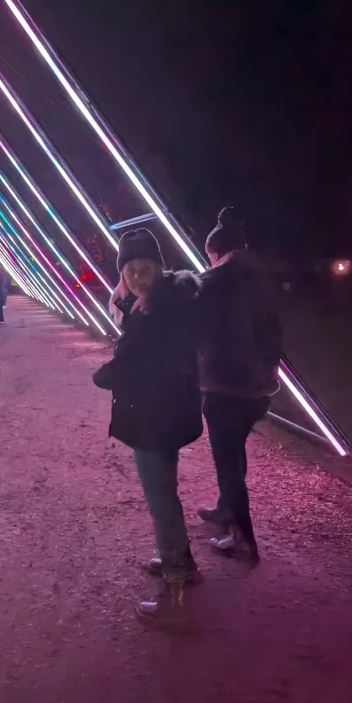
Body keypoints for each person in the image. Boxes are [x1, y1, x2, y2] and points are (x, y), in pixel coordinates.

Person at [92, 229, 202, 620]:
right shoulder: (160, 303)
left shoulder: (156, 313)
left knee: (162, 503)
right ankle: (183, 563)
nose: (139, 276)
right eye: (132, 269)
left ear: (159, 267)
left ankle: (176, 595)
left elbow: (138, 363)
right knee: (166, 496)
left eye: (146, 268)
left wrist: (105, 374)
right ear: (123, 273)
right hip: (167, 414)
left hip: (156, 418)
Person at [196, 207, 282, 560]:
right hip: (260, 385)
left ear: (216, 252)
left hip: (226, 384)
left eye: (209, 256)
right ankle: (225, 509)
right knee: (235, 451)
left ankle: (242, 536)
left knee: (227, 460)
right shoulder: (262, 278)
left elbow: (191, 317)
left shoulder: (216, 282)